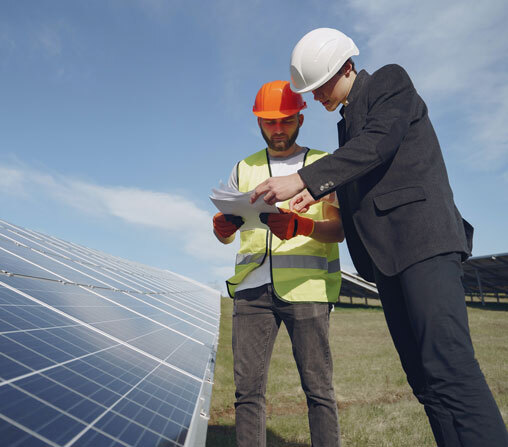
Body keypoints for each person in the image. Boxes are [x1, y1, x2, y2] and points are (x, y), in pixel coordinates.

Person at [250, 28, 508, 446]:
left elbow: (377, 145)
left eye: (320, 86)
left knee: (450, 370)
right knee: (426, 384)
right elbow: (365, 173)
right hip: (386, 260)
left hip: (424, 244)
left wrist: (303, 179)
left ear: (347, 67)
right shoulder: (347, 125)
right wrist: (324, 195)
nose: (315, 97)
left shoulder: (390, 81)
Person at [213, 80, 344, 447]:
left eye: (285, 121)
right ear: (258, 122)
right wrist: (221, 229)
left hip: (308, 289)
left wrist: (303, 225)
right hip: (252, 291)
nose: (277, 129)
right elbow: (229, 235)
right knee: (247, 394)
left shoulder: (323, 164)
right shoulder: (245, 167)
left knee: (319, 391)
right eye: (269, 122)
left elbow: (339, 230)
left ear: (300, 118)